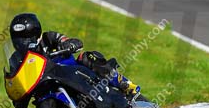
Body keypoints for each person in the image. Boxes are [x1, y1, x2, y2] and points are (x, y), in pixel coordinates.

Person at [9, 12, 140, 98]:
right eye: (18, 39)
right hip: (47, 84)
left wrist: (68, 44)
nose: (22, 43)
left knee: (87, 57)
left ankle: (123, 82)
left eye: (26, 38)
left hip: (72, 70)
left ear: (36, 34)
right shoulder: (15, 58)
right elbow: (17, 77)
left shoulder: (48, 38)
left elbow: (64, 39)